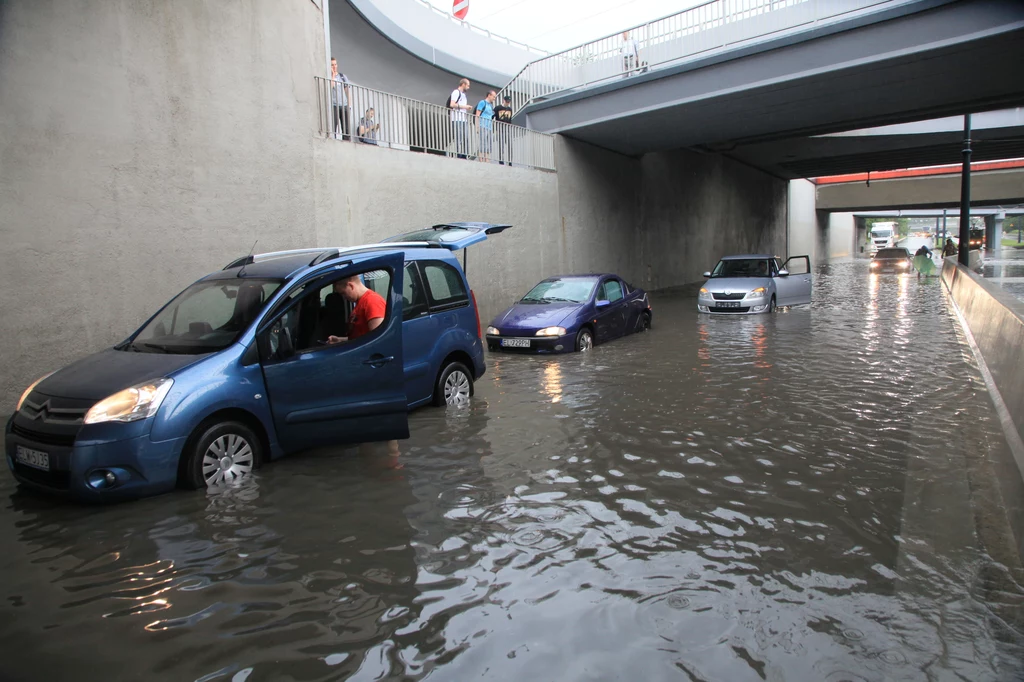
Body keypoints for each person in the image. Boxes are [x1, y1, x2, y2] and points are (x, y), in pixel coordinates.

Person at [327, 275, 386, 344]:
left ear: (351, 286)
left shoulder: (372, 301)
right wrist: (340, 340)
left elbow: (378, 339)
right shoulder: (360, 302)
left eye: (343, 293)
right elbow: (358, 337)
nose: (344, 297)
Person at [449, 78, 473, 159]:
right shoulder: (456, 92)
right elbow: (452, 104)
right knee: (459, 137)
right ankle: (459, 154)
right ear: (463, 84)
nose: (468, 88)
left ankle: (464, 154)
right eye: (468, 85)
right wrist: (465, 107)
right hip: (457, 118)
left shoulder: (463, 95)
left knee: (465, 137)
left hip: (463, 119)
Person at [330, 57, 351, 141]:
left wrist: (349, 105)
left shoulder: (342, 76)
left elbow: (347, 91)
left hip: (344, 104)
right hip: (334, 104)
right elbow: (330, 87)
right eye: (332, 65)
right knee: (333, 125)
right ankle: (333, 140)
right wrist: (332, 75)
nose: (334, 67)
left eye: (335, 64)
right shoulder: (329, 76)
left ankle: (346, 142)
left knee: (346, 128)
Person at [475, 90, 496, 163]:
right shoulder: (482, 102)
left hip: (489, 127)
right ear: (489, 95)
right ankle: (481, 159)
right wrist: (477, 126)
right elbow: (477, 115)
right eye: (493, 96)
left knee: (489, 143)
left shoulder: (490, 105)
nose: (494, 98)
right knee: (482, 142)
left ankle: (487, 159)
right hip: (482, 125)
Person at [494, 94, 514, 166]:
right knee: (501, 145)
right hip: (500, 128)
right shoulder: (498, 108)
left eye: (509, 102)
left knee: (509, 145)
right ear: (504, 101)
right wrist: (495, 129)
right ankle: (501, 160)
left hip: (507, 128)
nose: (508, 103)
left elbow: (510, 119)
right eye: (507, 101)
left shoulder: (510, 109)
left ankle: (510, 161)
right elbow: (494, 116)